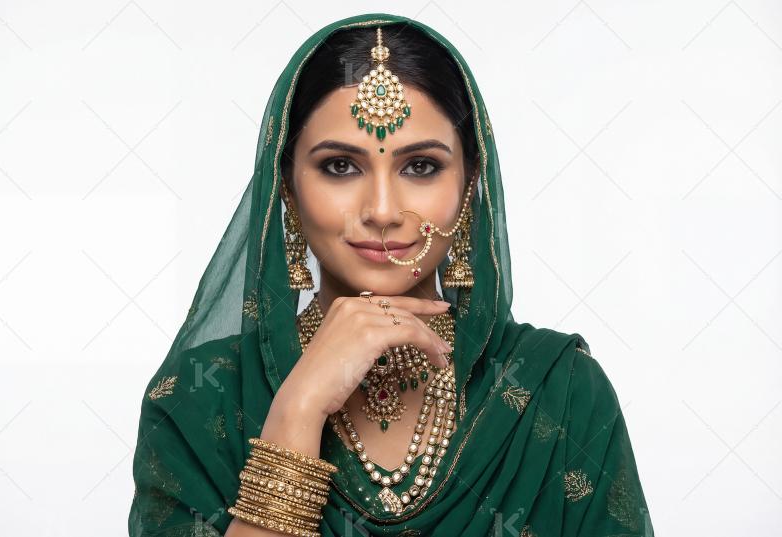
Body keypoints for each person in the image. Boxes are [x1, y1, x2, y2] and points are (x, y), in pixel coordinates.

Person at [128, 13, 654, 537]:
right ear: (287, 185)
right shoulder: (197, 402)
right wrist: (300, 407)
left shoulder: (558, 391)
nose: (382, 210)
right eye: (340, 166)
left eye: (421, 166)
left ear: (469, 183)